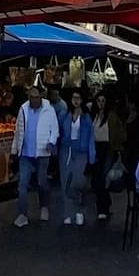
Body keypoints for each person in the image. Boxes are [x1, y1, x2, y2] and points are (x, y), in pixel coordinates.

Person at [11, 85, 59, 227]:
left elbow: (54, 129)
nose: (34, 100)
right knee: (22, 184)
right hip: (25, 153)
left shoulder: (49, 110)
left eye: (36, 97)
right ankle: (22, 214)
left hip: (42, 153)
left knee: (41, 182)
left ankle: (44, 206)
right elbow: (18, 130)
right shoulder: (23, 109)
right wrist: (15, 149)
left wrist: (51, 142)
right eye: (31, 97)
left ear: (41, 97)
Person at [58, 89, 95, 226]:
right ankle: (68, 212)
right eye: (74, 97)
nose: (76, 100)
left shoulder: (86, 117)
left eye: (78, 98)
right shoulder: (64, 115)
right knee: (65, 182)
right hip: (66, 151)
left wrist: (92, 158)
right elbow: (58, 131)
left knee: (78, 182)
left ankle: (79, 210)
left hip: (81, 152)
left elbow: (91, 138)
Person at [90, 92, 125, 221]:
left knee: (102, 177)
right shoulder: (93, 116)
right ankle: (104, 203)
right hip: (95, 147)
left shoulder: (111, 117)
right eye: (98, 100)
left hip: (108, 149)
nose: (100, 103)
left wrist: (116, 145)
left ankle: (103, 207)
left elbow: (121, 133)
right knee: (97, 178)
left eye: (103, 100)